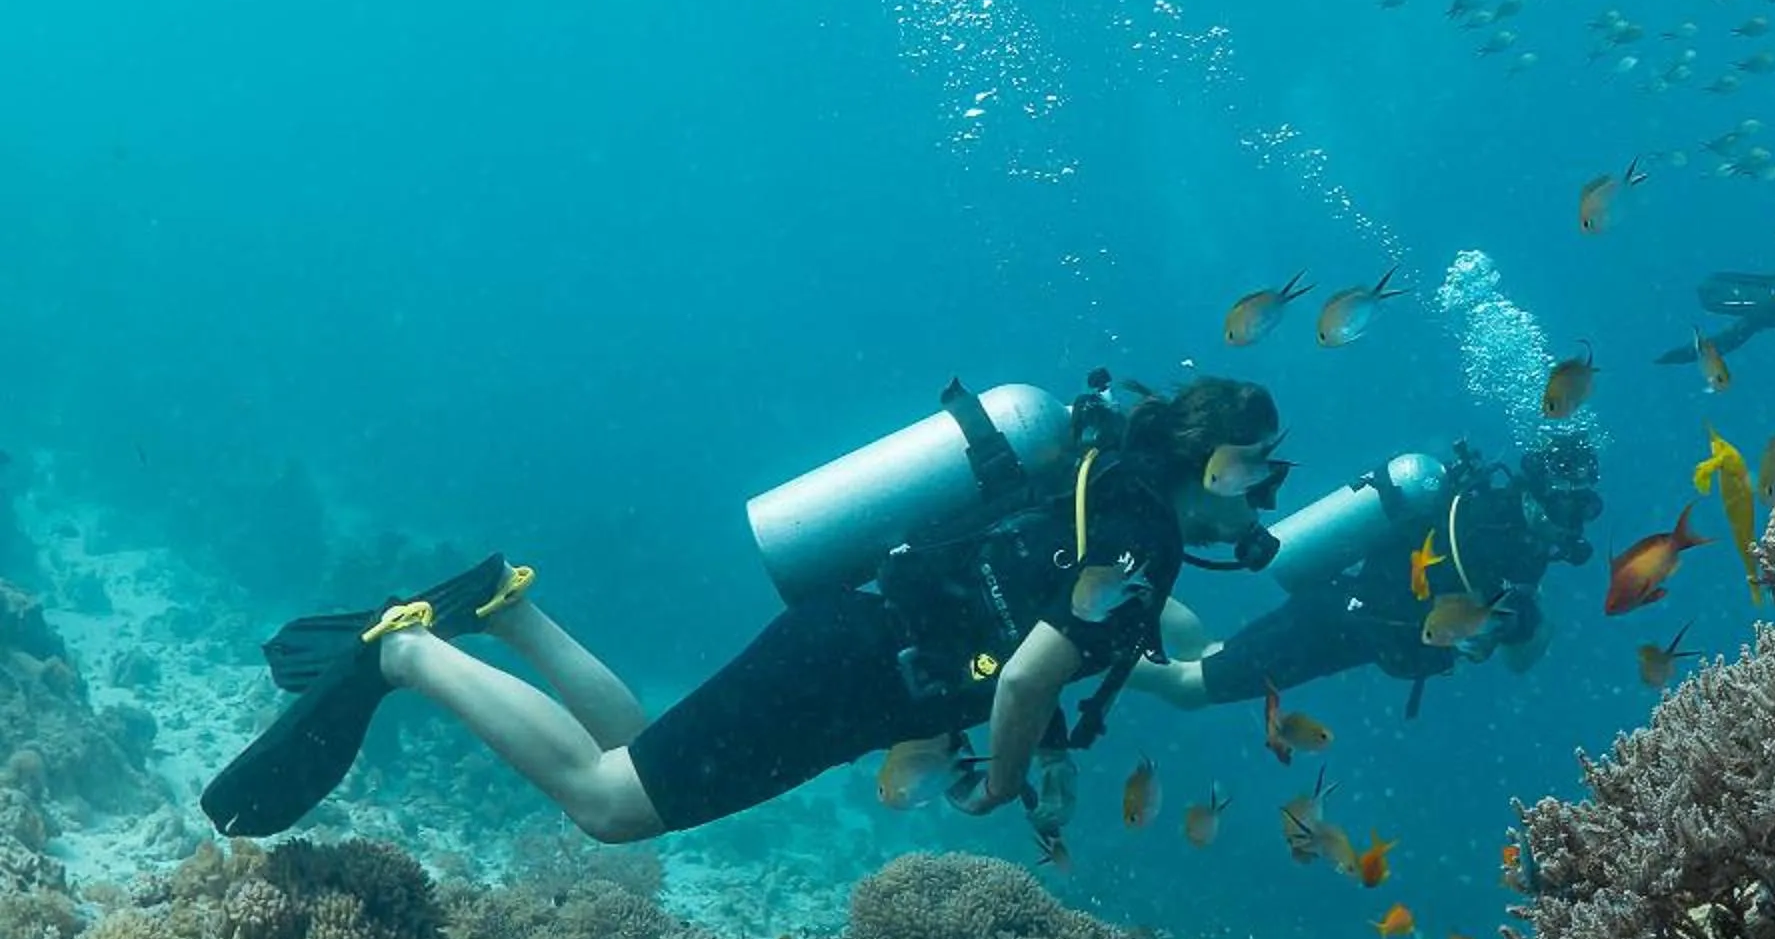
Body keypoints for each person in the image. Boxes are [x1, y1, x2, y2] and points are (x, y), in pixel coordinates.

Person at [202, 373, 1285, 845]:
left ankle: (507, 608)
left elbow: (1073, 636)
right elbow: (1035, 673)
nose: (1263, 503)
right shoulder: (1138, 534)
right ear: (1217, 465)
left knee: (635, 749)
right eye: (1259, 476)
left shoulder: (1107, 479)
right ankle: (412, 658)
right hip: (853, 671)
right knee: (610, 805)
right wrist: (1003, 784)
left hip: (854, 645)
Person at [1131, 434, 1599, 718]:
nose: (1574, 522)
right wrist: (1511, 622)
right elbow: (1481, 631)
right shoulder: (1492, 532)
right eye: (1568, 506)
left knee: (1207, 652)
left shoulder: (1520, 544)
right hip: (1334, 625)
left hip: (1341, 619)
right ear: (1537, 496)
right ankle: (1091, 646)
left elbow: (1499, 643)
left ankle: (1126, 585)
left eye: (1585, 508)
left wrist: (1513, 621)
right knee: (1189, 689)